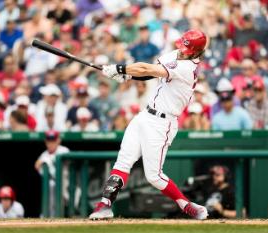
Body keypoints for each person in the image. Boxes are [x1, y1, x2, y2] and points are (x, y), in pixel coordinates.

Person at [89, 29, 208, 220]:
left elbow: (148, 69)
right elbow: (149, 74)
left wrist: (121, 69)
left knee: (154, 176)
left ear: (195, 52)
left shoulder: (188, 68)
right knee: (123, 161)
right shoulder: (175, 55)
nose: (181, 49)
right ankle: (105, 205)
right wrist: (128, 76)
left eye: (186, 48)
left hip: (163, 123)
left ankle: (186, 205)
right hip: (144, 116)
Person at [34, 130, 70, 217]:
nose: (51, 143)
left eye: (53, 140)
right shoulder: (44, 154)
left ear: (58, 140)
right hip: (53, 184)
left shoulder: (63, 150)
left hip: (67, 184)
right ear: (46, 142)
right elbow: (36, 165)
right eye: (49, 140)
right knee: (51, 185)